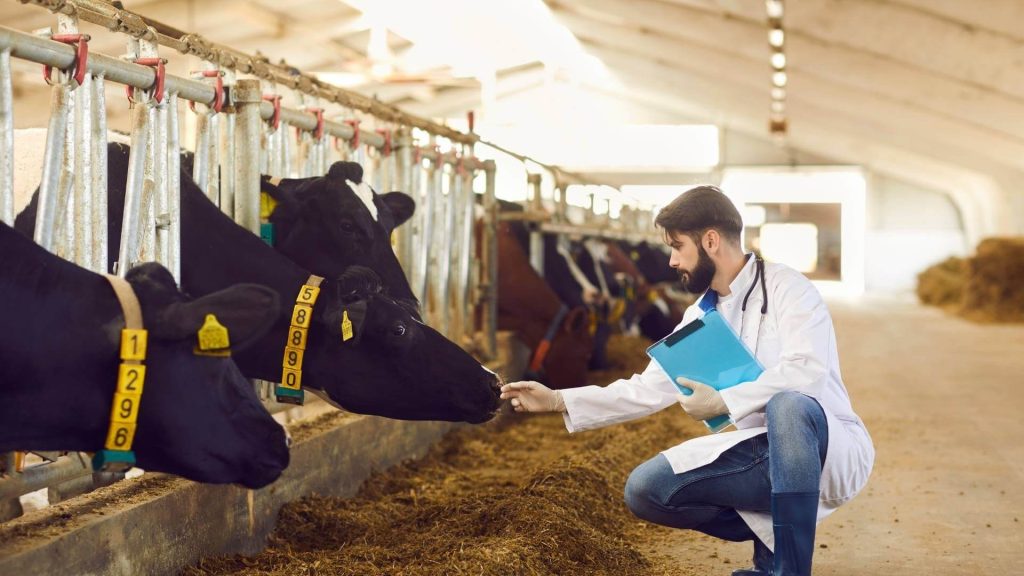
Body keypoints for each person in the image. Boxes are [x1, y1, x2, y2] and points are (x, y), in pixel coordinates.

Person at [500, 185, 874, 576]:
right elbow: (646, 389)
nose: (672, 260)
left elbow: (807, 371)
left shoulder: (787, 288)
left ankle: (789, 571)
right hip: (760, 456)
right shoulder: (699, 315)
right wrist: (559, 399)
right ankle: (770, 553)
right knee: (646, 490)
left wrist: (724, 401)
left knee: (789, 404)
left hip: (824, 448)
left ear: (710, 240)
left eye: (677, 246)